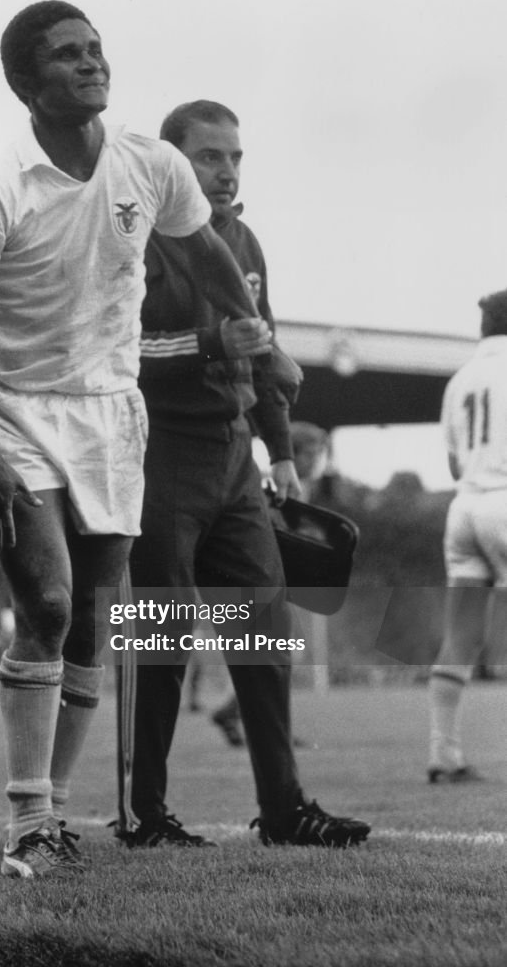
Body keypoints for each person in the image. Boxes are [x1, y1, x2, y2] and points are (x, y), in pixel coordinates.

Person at [0, 4, 268, 880]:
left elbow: (205, 253)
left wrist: (255, 329)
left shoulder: (149, 164)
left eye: (95, 49)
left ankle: (52, 812)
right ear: (24, 82)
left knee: (92, 619)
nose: (91, 64)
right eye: (66, 55)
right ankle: (27, 822)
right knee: (47, 604)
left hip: (113, 414)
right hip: (19, 408)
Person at [115, 100, 371, 849]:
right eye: (209, 157)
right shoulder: (136, 235)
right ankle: (143, 814)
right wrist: (210, 343)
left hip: (233, 460)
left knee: (265, 632)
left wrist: (280, 451)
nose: (226, 172)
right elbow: (119, 351)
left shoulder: (244, 240)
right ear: (172, 162)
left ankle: (283, 811)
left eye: (234, 158)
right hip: (160, 453)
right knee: (161, 638)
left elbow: (262, 351)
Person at [428, 288, 507, 783]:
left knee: (461, 637)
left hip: (464, 509)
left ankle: (443, 753)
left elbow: (454, 463)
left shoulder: (461, 378)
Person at [211, 420, 331, 746]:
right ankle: (262, 727)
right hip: (256, 581)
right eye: (313, 453)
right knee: (279, 655)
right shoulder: (270, 487)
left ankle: (236, 713)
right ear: (294, 453)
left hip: (268, 582)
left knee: (274, 655)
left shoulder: (292, 487)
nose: (318, 461)